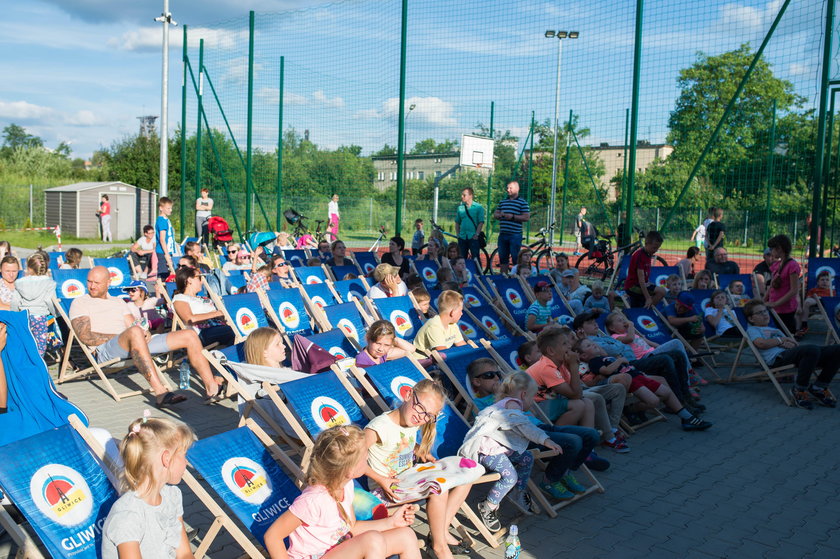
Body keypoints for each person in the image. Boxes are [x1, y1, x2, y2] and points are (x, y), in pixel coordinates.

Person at [69, 266, 223, 406]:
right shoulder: (80, 302)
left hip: (133, 343)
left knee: (189, 335)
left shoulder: (118, 302)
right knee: (134, 333)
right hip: (105, 351)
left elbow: (134, 325)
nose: (92, 286)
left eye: (97, 282)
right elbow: (85, 336)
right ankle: (161, 393)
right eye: (89, 282)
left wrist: (145, 332)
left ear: (108, 282)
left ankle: (212, 387)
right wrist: (128, 335)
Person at [266, 425, 421, 559]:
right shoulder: (313, 500)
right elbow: (273, 536)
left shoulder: (347, 486)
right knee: (372, 540)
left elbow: (351, 528)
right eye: (365, 459)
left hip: (340, 549)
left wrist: (391, 522)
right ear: (350, 471)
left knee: (405, 536)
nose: (367, 460)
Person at [365, 379, 473, 559]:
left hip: (405, 483)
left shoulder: (410, 423)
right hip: (384, 491)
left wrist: (418, 451)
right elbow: (353, 461)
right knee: (439, 489)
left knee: (464, 476)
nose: (421, 417)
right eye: (420, 408)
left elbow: (398, 443)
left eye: (428, 415)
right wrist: (381, 480)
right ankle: (440, 547)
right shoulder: (379, 427)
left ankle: (441, 530)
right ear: (408, 395)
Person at [466, 359, 601, 499]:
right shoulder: (478, 403)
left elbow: (530, 411)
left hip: (540, 427)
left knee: (591, 435)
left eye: (498, 374)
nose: (496, 378)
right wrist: (499, 397)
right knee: (573, 442)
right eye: (489, 375)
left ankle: (564, 471)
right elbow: (491, 425)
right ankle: (550, 481)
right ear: (477, 382)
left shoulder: (509, 393)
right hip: (524, 437)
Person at [459, 372, 562, 527]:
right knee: (509, 477)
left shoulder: (507, 404)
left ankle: (517, 492)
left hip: (499, 449)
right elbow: (525, 427)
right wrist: (545, 440)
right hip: (487, 451)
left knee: (527, 458)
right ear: (523, 394)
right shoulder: (513, 405)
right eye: (532, 397)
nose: (533, 402)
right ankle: (488, 505)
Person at [101, 413, 195, 559]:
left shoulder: (172, 495)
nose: (187, 462)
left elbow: (184, 554)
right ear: (166, 459)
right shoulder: (128, 516)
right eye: (184, 455)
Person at [573, 310, 703, 415]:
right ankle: (681, 403)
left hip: (633, 361)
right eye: (590, 323)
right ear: (581, 329)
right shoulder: (589, 344)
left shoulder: (602, 337)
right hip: (629, 365)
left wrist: (621, 347)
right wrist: (621, 347)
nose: (595, 324)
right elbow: (614, 349)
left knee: (678, 354)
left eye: (595, 321)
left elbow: (620, 347)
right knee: (665, 360)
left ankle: (686, 396)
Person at [576, 338, 711, 431]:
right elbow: (606, 370)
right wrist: (619, 361)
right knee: (654, 401)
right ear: (583, 356)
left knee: (666, 391)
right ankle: (629, 409)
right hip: (631, 380)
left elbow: (601, 352)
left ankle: (686, 418)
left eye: (593, 343)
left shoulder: (603, 356)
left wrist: (591, 343)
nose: (593, 345)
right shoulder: (594, 361)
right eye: (589, 346)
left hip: (638, 375)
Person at [525, 327, 612, 470]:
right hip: (535, 409)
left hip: (549, 403)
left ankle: (587, 451)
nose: (570, 346)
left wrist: (571, 366)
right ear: (551, 351)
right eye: (565, 344)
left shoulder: (559, 363)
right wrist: (573, 365)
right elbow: (575, 394)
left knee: (587, 402)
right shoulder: (546, 367)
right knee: (578, 405)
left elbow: (577, 392)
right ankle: (560, 443)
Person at [745, 299, 840, 409]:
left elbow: (795, 344)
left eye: (765, 311)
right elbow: (761, 343)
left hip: (792, 354)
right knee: (811, 349)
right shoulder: (753, 330)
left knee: (836, 350)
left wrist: (787, 343)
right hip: (778, 359)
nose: (764, 314)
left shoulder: (774, 329)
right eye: (759, 312)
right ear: (751, 319)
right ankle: (799, 390)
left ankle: (819, 387)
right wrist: (782, 340)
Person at [172, 266, 236, 348]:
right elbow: (189, 319)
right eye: (199, 277)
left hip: (219, 328)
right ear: (189, 280)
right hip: (201, 333)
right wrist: (216, 313)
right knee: (231, 331)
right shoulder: (180, 298)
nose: (202, 281)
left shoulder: (202, 298)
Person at [11, 251, 60, 356]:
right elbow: (49, 300)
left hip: (24, 317)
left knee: (25, 344)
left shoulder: (20, 283)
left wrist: (15, 315)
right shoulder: (49, 283)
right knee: (40, 348)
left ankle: (26, 366)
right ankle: (38, 366)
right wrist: (54, 314)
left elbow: (15, 301)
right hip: (40, 317)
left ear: (28, 268)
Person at [413, 290, 467, 357]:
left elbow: (462, 346)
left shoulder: (452, 325)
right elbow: (443, 353)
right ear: (452, 312)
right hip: (423, 361)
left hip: (438, 360)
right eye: (460, 310)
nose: (461, 313)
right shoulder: (434, 326)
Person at [492, 180, 530, 274]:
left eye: (510, 188)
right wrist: (499, 215)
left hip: (515, 235)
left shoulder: (522, 203)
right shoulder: (503, 202)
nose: (508, 190)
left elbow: (526, 217)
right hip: (503, 234)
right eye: (507, 188)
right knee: (503, 258)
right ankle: (503, 277)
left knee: (515, 258)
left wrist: (512, 216)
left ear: (517, 189)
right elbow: (495, 213)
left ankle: (517, 277)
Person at [765, 234, 800, 335]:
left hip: (786, 309)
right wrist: (764, 301)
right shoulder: (777, 265)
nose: (770, 252)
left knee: (787, 335)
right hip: (775, 308)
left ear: (779, 248)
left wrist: (776, 303)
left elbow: (794, 290)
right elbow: (772, 285)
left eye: (772, 249)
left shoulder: (792, 265)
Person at [624, 230, 666, 308]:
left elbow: (644, 278)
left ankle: (645, 309)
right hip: (632, 286)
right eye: (654, 248)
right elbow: (641, 280)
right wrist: (648, 298)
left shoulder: (647, 254)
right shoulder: (640, 256)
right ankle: (648, 310)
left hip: (639, 285)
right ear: (646, 244)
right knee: (662, 291)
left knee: (659, 289)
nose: (656, 250)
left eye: (658, 248)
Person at [797, 270, 834, 337]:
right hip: (816, 300)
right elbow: (808, 297)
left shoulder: (833, 291)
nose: (825, 282)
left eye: (827, 280)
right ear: (818, 282)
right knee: (807, 301)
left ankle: (835, 326)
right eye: (822, 280)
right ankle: (804, 324)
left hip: (828, 301)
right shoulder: (814, 290)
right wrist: (814, 297)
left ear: (830, 282)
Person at [454, 187, 485, 260]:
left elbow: (481, 222)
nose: (462, 197)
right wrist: (458, 235)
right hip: (463, 237)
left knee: (475, 258)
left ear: (470, 195)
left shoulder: (478, 207)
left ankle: (477, 271)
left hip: (473, 236)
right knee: (461, 258)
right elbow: (457, 222)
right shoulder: (460, 208)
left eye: (464, 195)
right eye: (462, 195)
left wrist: (477, 234)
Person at [155, 197, 176, 281]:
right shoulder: (162, 221)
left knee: (168, 272)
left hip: (168, 250)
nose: (170, 210)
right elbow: (162, 239)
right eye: (168, 208)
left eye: (171, 208)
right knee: (163, 272)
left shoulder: (166, 219)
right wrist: (166, 253)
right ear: (161, 208)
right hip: (163, 251)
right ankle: (160, 289)